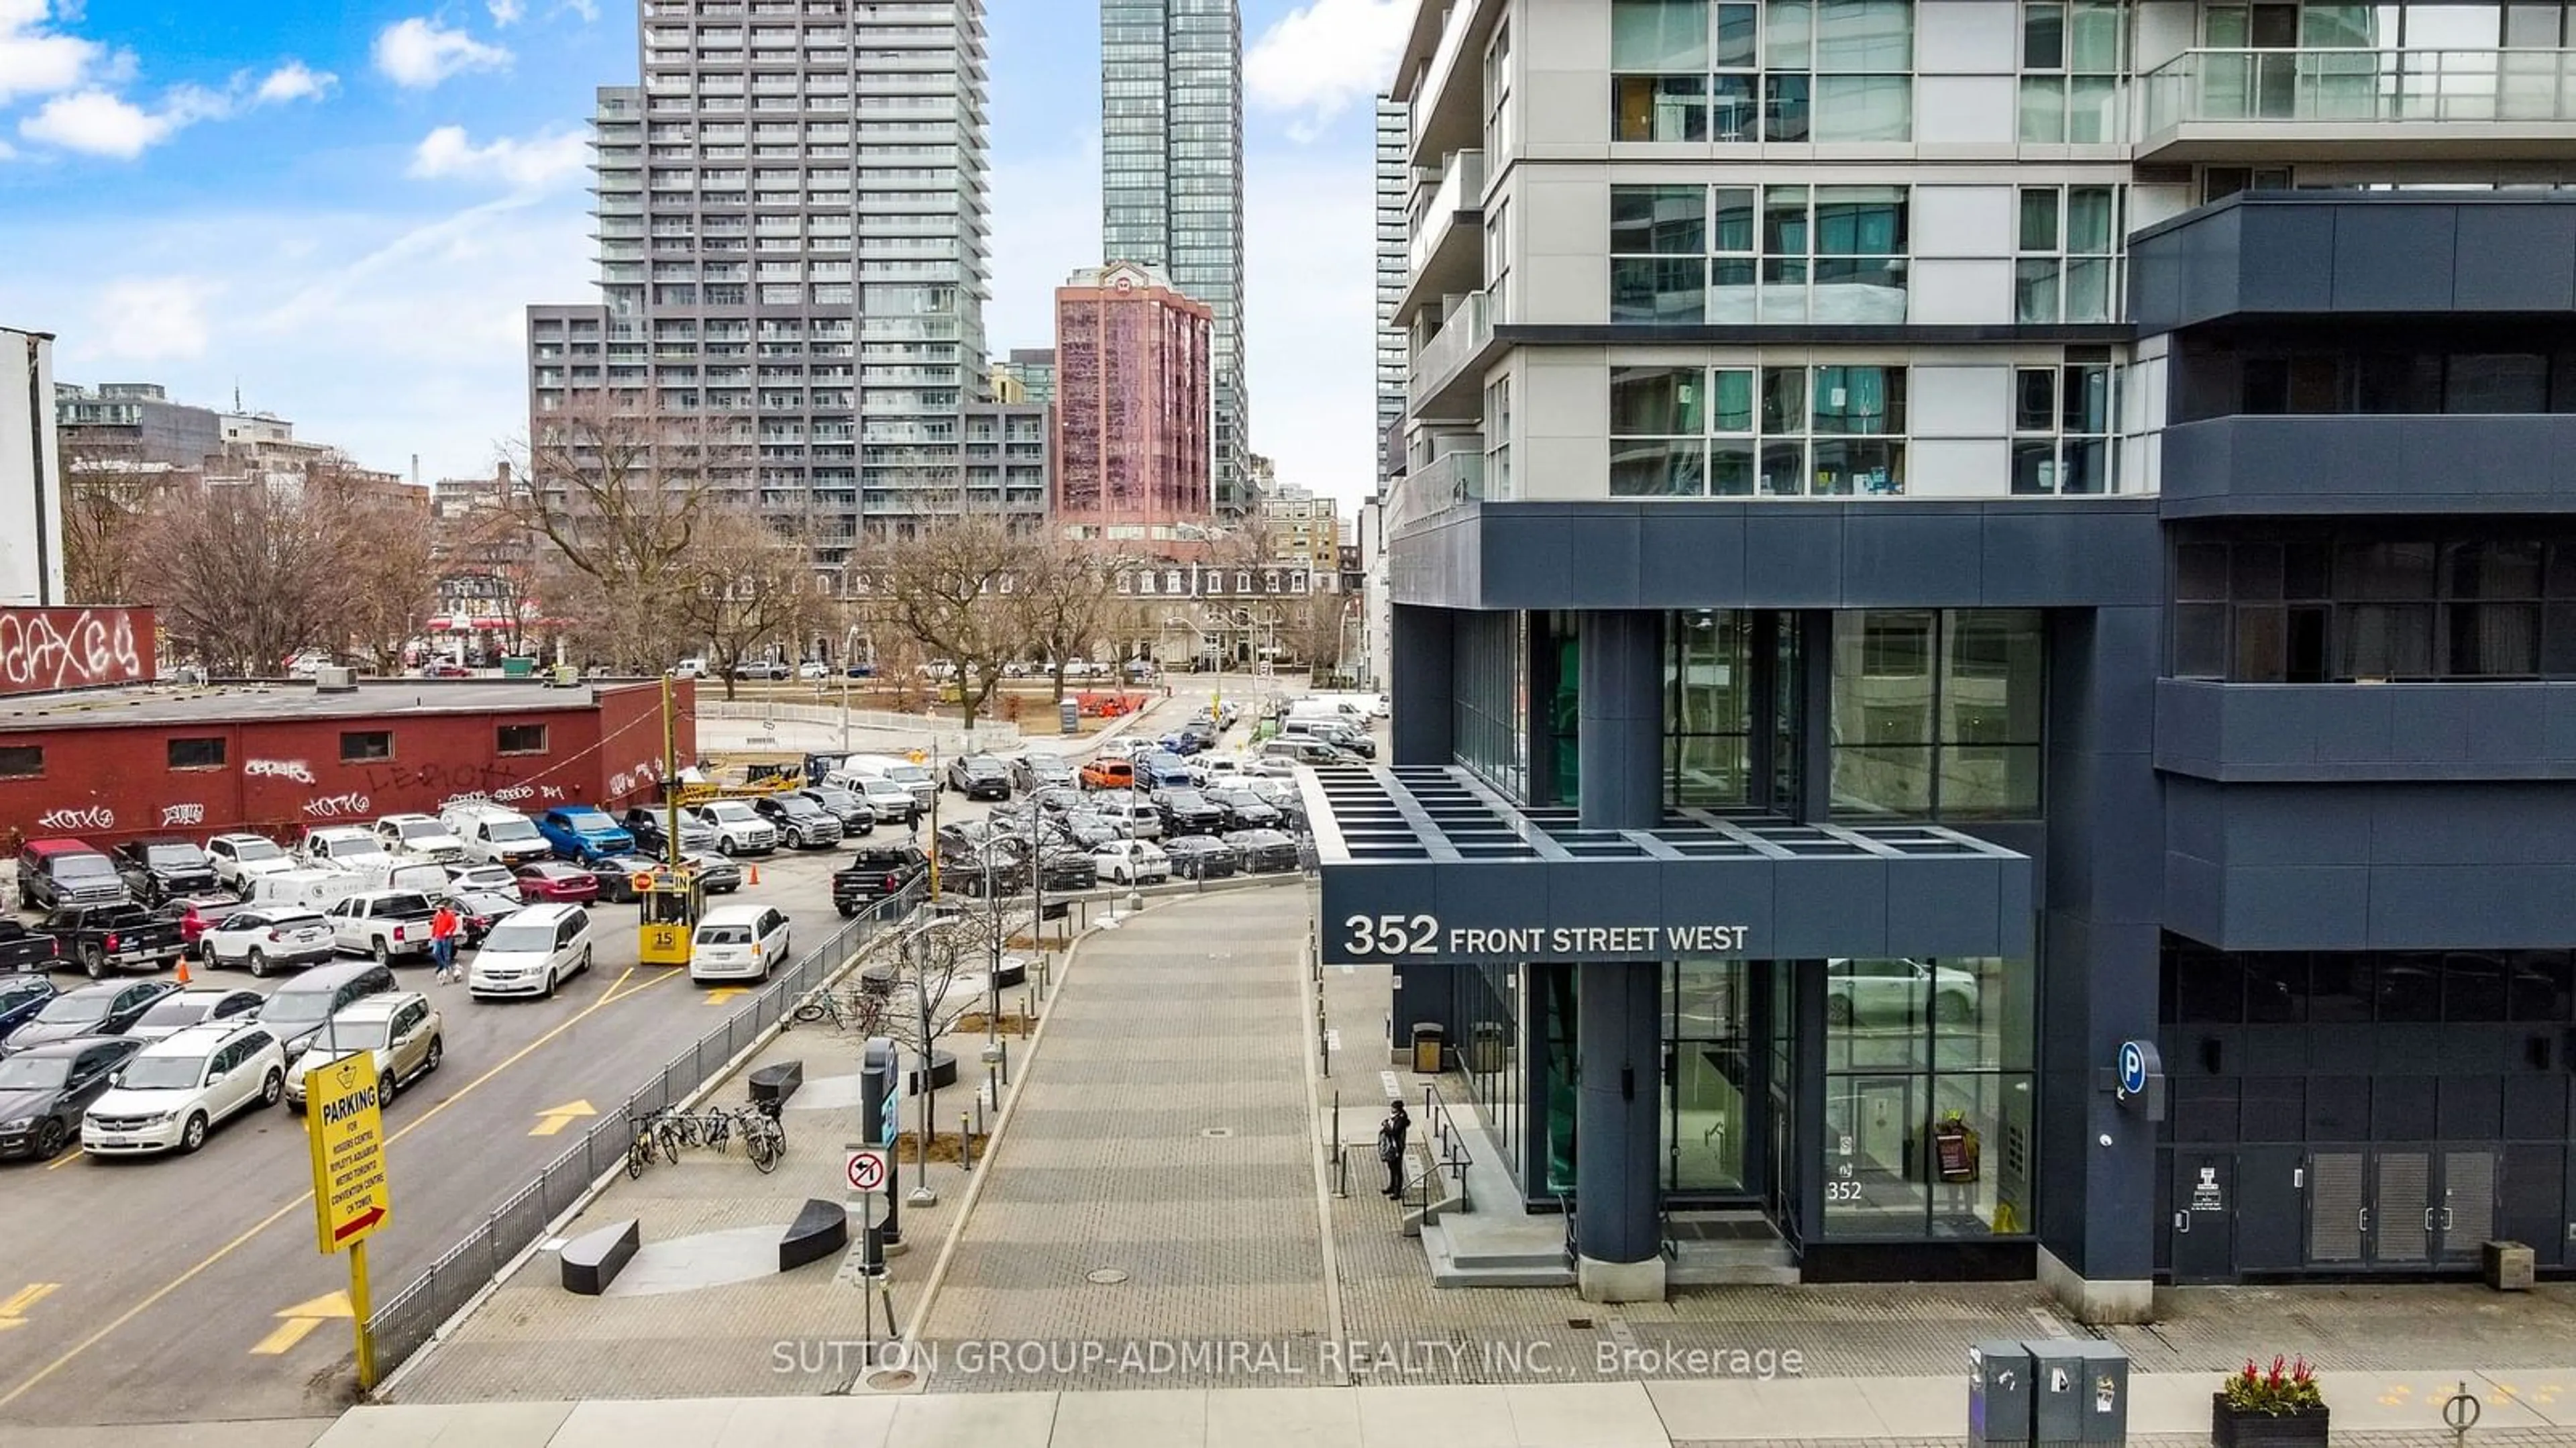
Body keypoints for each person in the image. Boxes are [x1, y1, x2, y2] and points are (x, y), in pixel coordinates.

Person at [1376, 1098, 1411, 1199]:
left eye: (1394, 1109)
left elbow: (1394, 1133)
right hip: (1392, 1146)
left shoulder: (1401, 1120)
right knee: (1391, 1167)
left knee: (1397, 1169)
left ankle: (1397, 1191)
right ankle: (1392, 1186)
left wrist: (1386, 1126)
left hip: (1397, 1148)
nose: (1392, 1110)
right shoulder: (1395, 1118)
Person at [429, 902, 461, 984]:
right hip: (438, 937)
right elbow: (435, 925)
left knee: (446, 953)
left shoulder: (450, 915)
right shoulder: (437, 915)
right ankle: (443, 966)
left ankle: (446, 968)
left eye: (442, 908)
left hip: (447, 938)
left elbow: (453, 925)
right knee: (436, 953)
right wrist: (433, 935)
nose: (441, 910)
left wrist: (449, 932)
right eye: (439, 908)